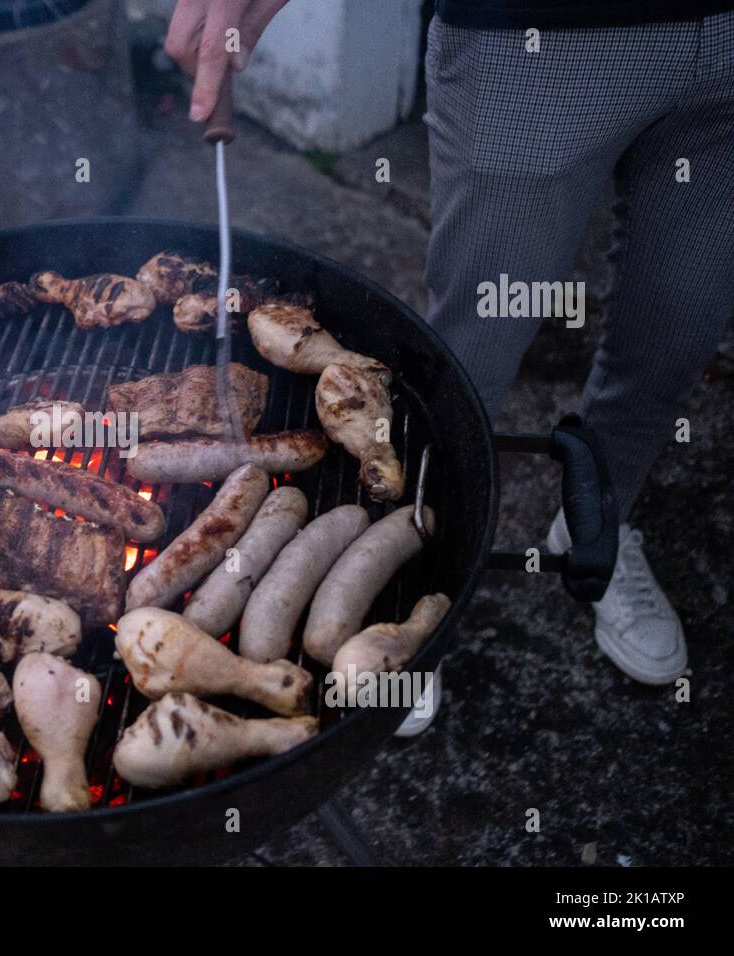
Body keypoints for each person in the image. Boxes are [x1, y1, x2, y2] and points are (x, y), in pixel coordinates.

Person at [163, 0, 733, 688]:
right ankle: (413, 593)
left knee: (677, 329)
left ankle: (601, 521)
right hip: (541, 41)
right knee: (472, 352)